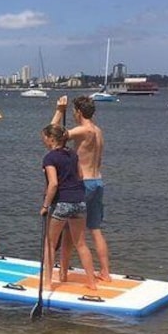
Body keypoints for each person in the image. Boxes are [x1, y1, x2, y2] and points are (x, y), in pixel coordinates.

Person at [51, 95, 111, 281]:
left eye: (73, 112)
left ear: (77, 112)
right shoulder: (98, 131)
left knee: (70, 229)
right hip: (98, 181)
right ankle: (105, 272)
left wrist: (59, 111)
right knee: (95, 228)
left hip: (83, 183)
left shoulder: (82, 130)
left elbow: (52, 135)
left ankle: (63, 273)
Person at [39, 124, 97, 291]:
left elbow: (53, 184)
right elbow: (80, 175)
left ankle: (48, 283)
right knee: (81, 244)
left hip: (62, 203)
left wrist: (45, 205)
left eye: (44, 137)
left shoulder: (49, 158)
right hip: (79, 202)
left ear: (51, 139)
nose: (43, 140)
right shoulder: (73, 154)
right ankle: (92, 282)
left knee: (50, 243)